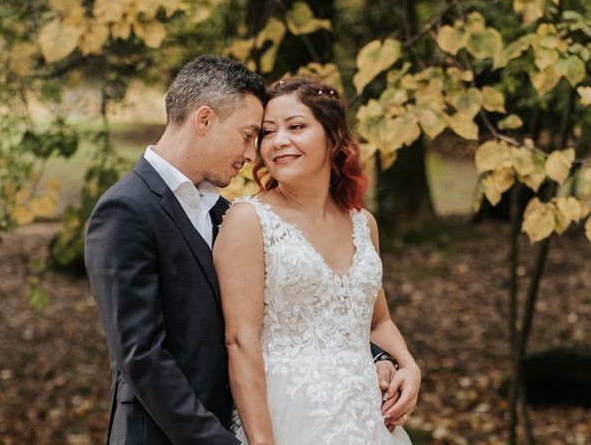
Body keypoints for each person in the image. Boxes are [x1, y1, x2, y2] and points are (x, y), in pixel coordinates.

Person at [85, 55, 402, 444]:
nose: (254, 154)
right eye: (249, 134)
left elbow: (295, 314)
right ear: (204, 121)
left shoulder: (222, 211)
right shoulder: (127, 210)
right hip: (163, 435)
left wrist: (381, 357)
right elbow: (142, 356)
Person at [214, 76, 420, 445]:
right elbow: (240, 342)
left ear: (332, 136)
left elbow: (377, 320)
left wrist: (407, 363)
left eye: (296, 127)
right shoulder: (248, 220)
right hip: (288, 416)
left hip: (365, 420)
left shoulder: (363, 223)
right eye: (268, 132)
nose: (279, 142)